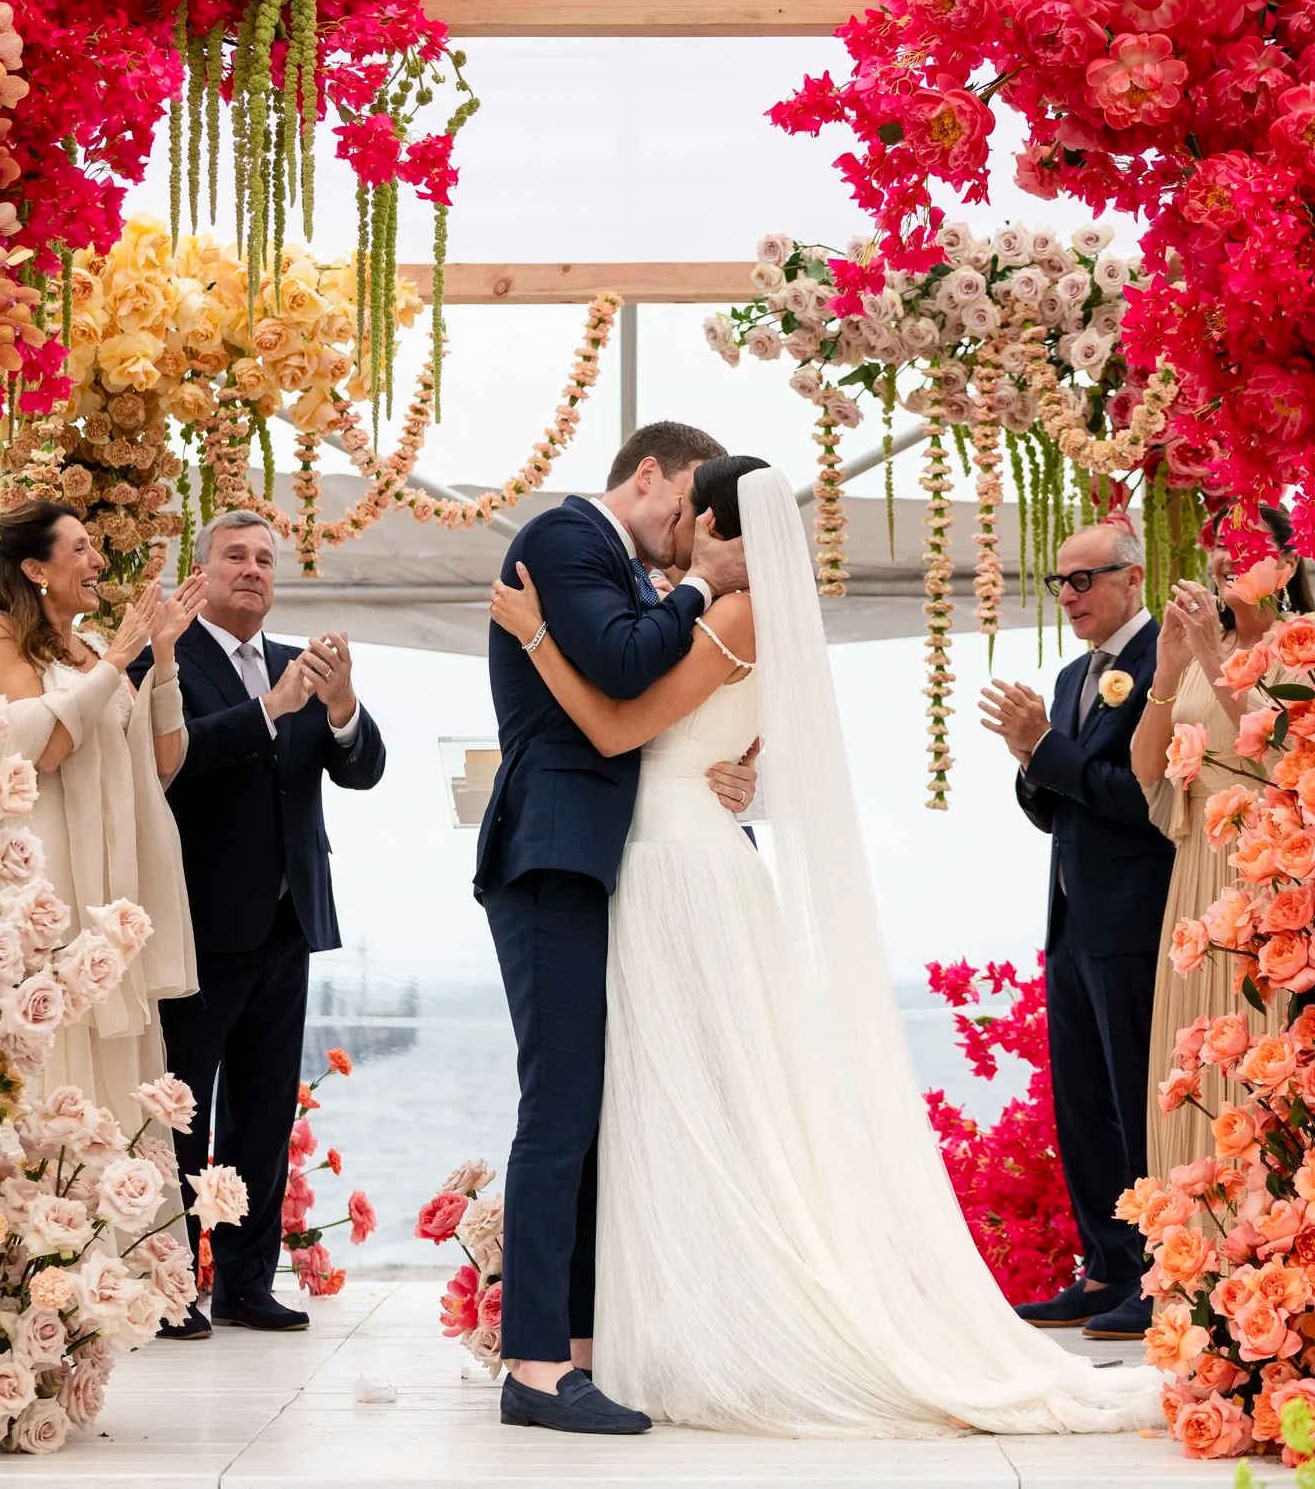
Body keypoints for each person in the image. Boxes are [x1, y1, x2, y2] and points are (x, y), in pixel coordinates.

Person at [486, 460, 1160, 1438]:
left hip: (672, 865)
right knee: (672, 1104)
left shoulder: (736, 613)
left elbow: (613, 720)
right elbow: (730, 740)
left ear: (711, 519)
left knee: (687, 1102)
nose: (669, 530)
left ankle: (646, 1333)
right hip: (690, 854)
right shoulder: (753, 620)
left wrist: (537, 633)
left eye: (685, 516)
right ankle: (616, 1332)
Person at [475, 421, 757, 1436]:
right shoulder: (564, 539)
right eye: (680, 506)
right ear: (647, 475)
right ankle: (536, 1366)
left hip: (596, 852)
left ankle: (577, 1349)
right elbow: (627, 666)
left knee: (588, 1106)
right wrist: (700, 586)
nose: (684, 532)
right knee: (558, 1105)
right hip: (551, 845)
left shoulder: (624, 566)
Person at [132, 509, 386, 1339]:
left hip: (287, 922)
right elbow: (171, 763)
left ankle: (245, 1283)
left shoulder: (299, 667)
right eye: (235, 556)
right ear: (200, 575)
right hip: (198, 926)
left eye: (266, 560)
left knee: (265, 1115)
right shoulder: (163, 659)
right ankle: (170, 1286)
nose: (254, 570)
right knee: (183, 1113)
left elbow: (362, 770)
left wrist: (342, 706)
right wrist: (269, 709)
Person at [0, 499, 204, 1181]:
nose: (98, 562)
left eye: (95, 547)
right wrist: (122, 654)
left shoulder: (94, 648)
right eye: (80, 549)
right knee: (60, 1046)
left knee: (121, 1071)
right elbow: (44, 747)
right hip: (52, 883)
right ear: (37, 567)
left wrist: (160, 657)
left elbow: (161, 761)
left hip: (111, 885)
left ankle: (128, 1269)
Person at [977, 523, 1173, 1345]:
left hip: (1135, 915)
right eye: (1060, 581)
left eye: (1084, 579)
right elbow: (1054, 807)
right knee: (1083, 1102)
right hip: (1070, 913)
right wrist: (1033, 759)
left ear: (1133, 579)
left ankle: (1163, 1275)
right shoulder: (1068, 677)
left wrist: (1046, 750)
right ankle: (1106, 1267)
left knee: (1136, 1103)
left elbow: (1141, 798)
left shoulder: (1169, 661)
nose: (1069, 595)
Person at [1128, 507, 1315, 1181]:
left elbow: (1287, 751)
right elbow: (1145, 770)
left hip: (1272, 877)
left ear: (1285, 565)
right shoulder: (1197, 649)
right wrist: (1168, 671)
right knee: (1191, 1057)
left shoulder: (1310, 641)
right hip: (1197, 875)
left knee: (1258, 1054)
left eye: (1244, 546)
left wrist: (1208, 657)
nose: (1224, 557)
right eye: (1217, 544)